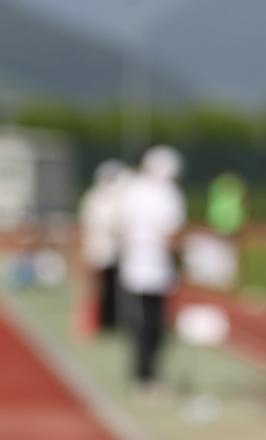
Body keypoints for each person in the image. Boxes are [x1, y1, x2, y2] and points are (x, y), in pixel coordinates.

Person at [118, 145, 186, 394]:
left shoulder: (132, 189)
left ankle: (140, 374)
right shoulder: (168, 193)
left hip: (132, 265)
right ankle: (146, 377)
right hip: (157, 268)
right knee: (154, 326)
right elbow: (172, 234)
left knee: (138, 325)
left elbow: (121, 225)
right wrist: (182, 261)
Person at [77, 159, 129, 333]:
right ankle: (99, 321)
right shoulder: (93, 198)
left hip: (119, 252)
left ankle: (116, 320)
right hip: (99, 251)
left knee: (118, 289)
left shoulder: (123, 197)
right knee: (98, 289)